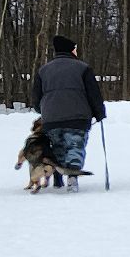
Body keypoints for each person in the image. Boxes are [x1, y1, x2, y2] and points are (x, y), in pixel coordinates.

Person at [31, 35, 106, 190]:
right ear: (71, 50)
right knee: (75, 146)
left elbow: (36, 98)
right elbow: (94, 93)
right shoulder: (83, 68)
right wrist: (99, 112)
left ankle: (58, 177)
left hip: (51, 119)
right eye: (75, 49)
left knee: (57, 147)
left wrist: (43, 111)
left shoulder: (43, 70)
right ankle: (72, 177)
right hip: (78, 117)